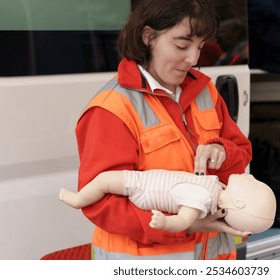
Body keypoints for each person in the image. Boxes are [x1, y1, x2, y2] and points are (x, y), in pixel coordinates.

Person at [75, 0, 252, 260]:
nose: (193, 58)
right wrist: (183, 225)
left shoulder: (206, 91)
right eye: (182, 45)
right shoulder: (111, 108)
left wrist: (222, 151)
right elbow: (101, 204)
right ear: (149, 37)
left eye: (200, 47)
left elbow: (242, 153)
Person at [59, 170, 276, 234]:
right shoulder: (217, 188)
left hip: (142, 187)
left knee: (104, 181)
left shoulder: (201, 200)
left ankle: (78, 199)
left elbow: (183, 221)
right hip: (145, 179)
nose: (251, 176)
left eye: (253, 183)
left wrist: (165, 223)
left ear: (238, 202)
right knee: (104, 180)